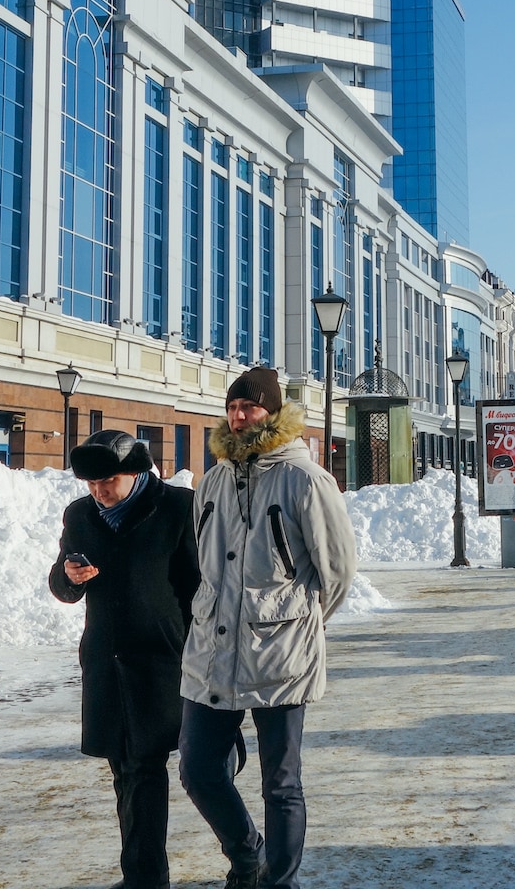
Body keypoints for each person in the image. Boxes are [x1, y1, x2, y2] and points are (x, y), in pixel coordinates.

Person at [180, 367, 357, 889]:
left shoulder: (304, 478)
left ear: (273, 413)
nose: (239, 416)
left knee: (280, 783)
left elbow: (339, 572)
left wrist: (297, 623)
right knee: (199, 770)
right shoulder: (211, 479)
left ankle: (280, 882)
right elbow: (203, 560)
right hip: (213, 650)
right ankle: (247, 855)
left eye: (250, 407)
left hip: (281, 656)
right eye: (233, 407)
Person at [48, 430, 200, 889]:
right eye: (91, 483)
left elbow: (198, 590)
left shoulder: (177, 508)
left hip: (162, 661)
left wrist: (204, 655)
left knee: (163, 770)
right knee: (126, 770)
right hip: (106, 664)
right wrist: (69, 575)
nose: (99, 491)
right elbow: (61, 583)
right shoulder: (80, 515)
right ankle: (143, 875)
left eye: (109, 480)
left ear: (136, 472)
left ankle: (241, 854)